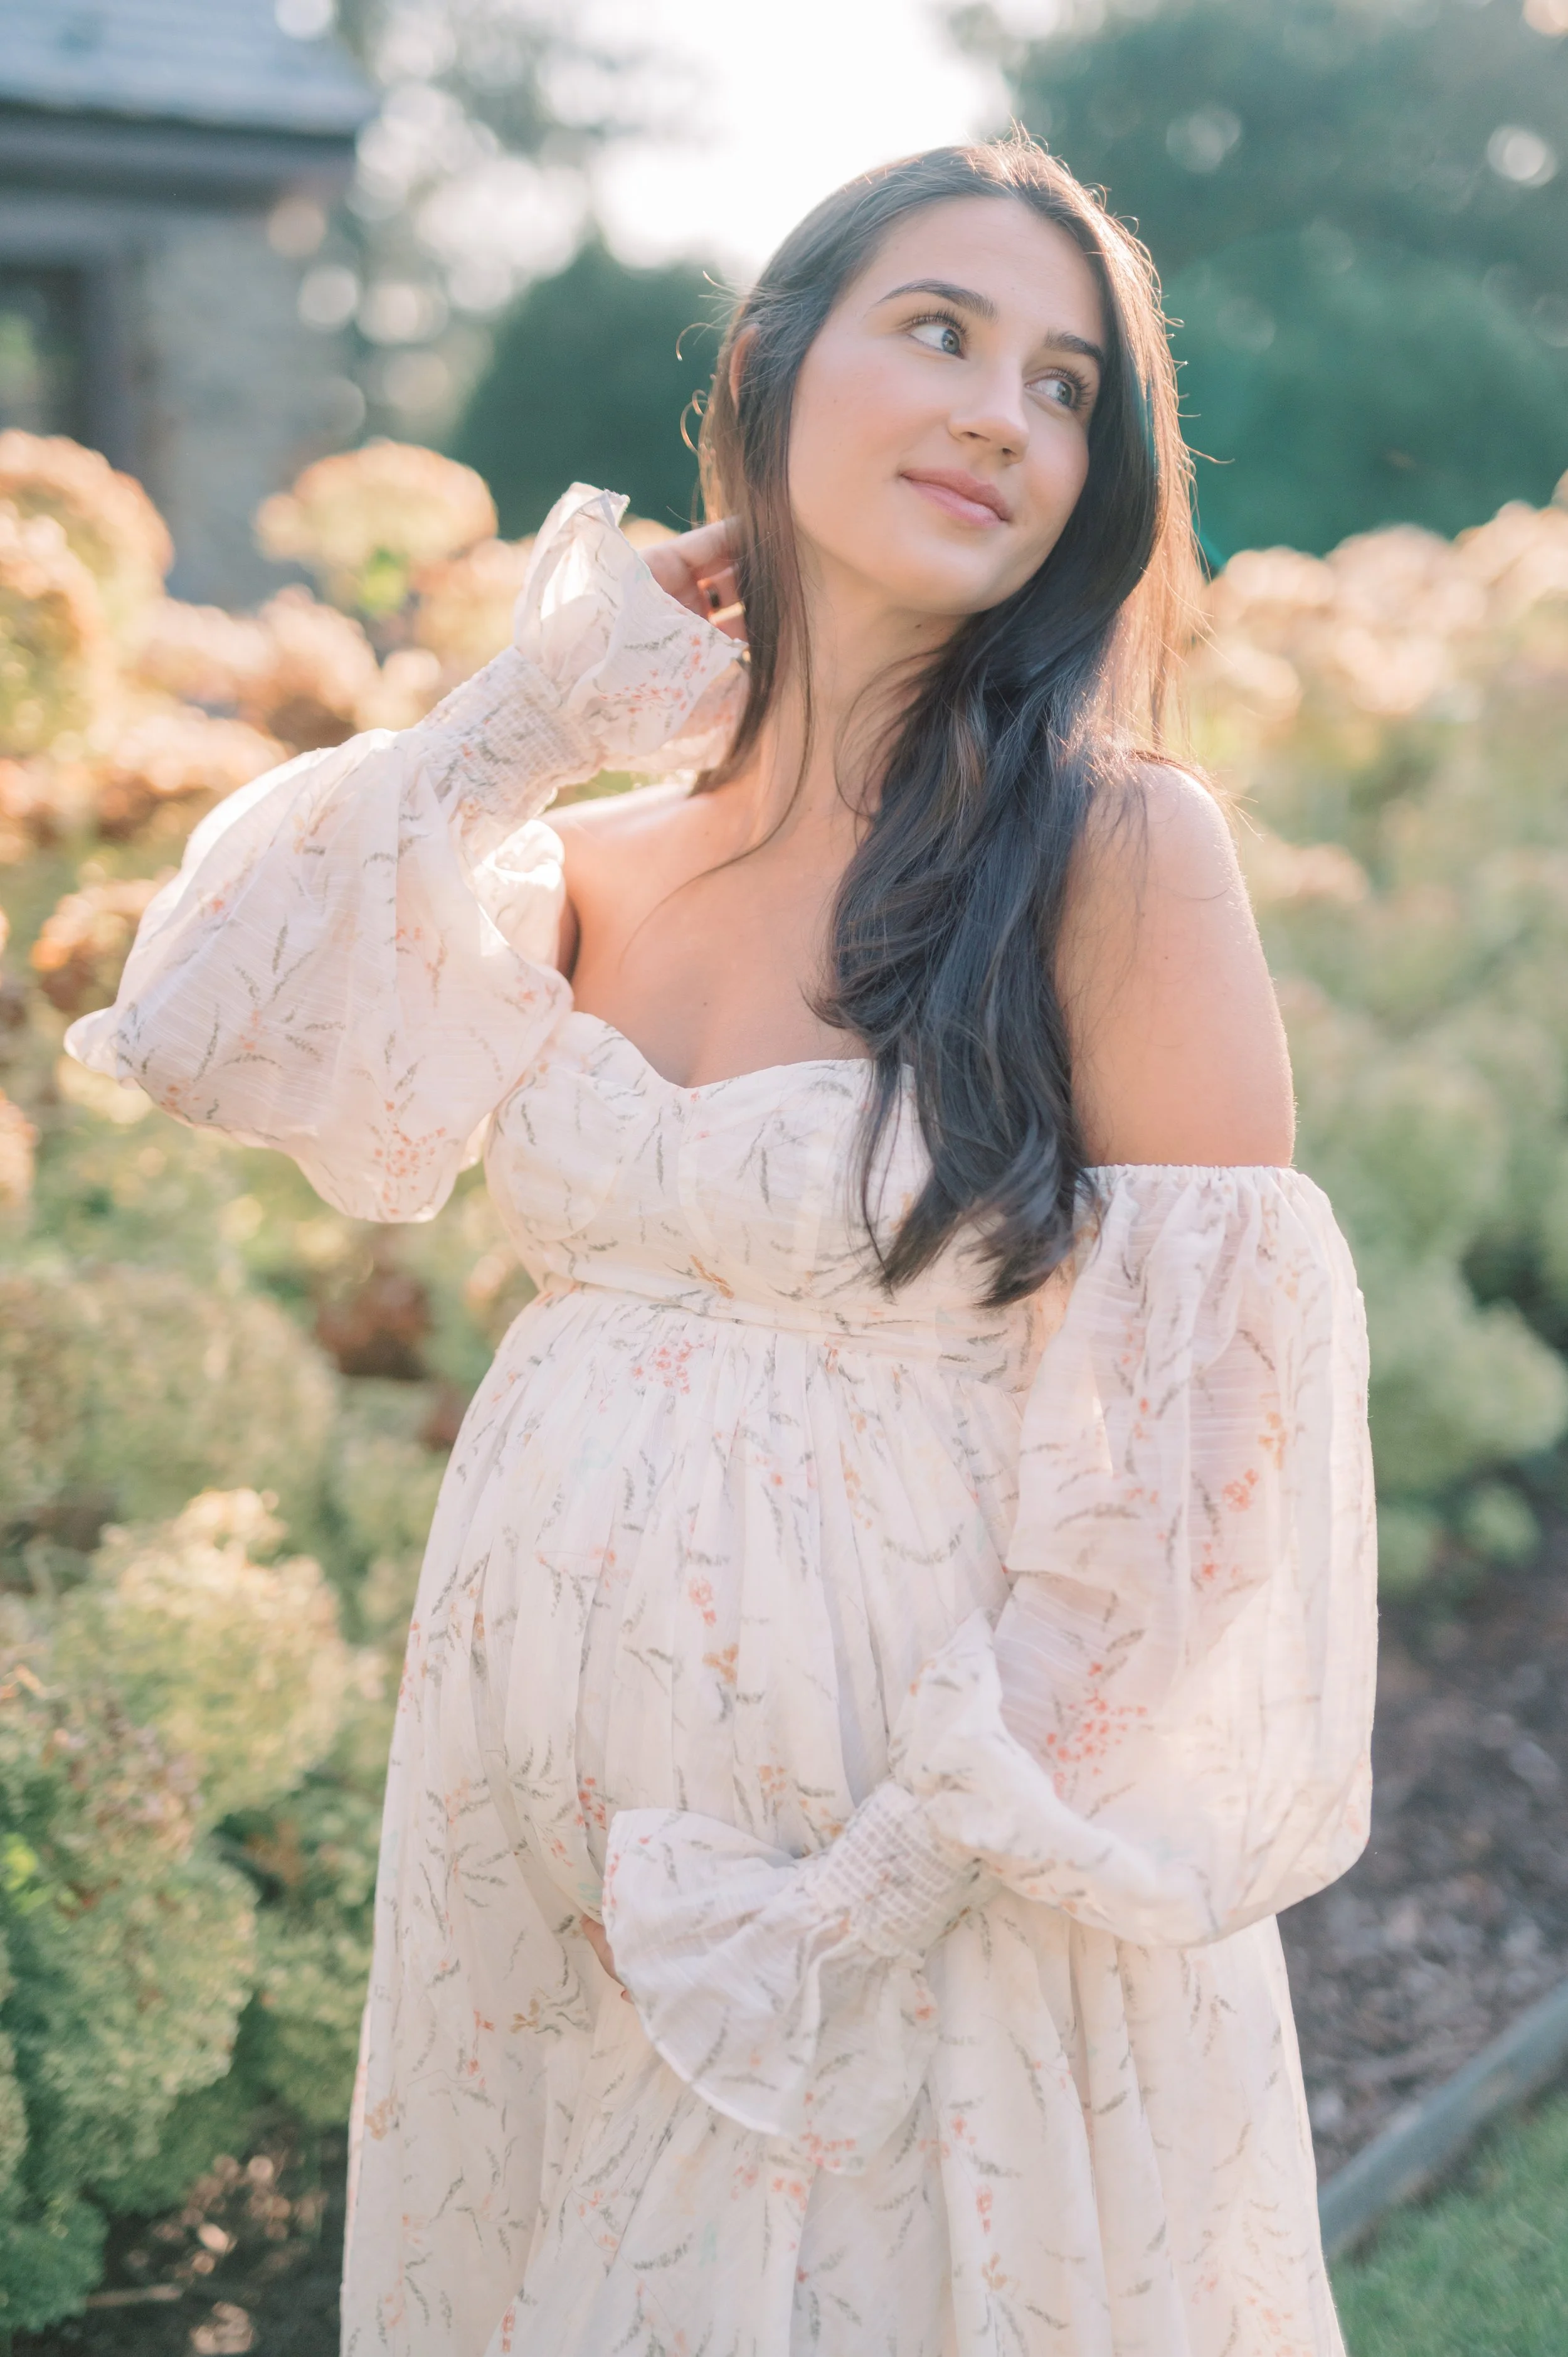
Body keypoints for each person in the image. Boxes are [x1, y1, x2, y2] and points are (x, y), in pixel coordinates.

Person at [69, 134, 1377, 2357]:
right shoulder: (588, 863)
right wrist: (527, 720)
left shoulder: (1111, 851)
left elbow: (1197, 1482)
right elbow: (199, 1027)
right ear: (767, 372)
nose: (1000, 415)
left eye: (1066, 388)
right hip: (537, 1813)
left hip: (904, 1866)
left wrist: (844, 1904)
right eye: (940, 334)